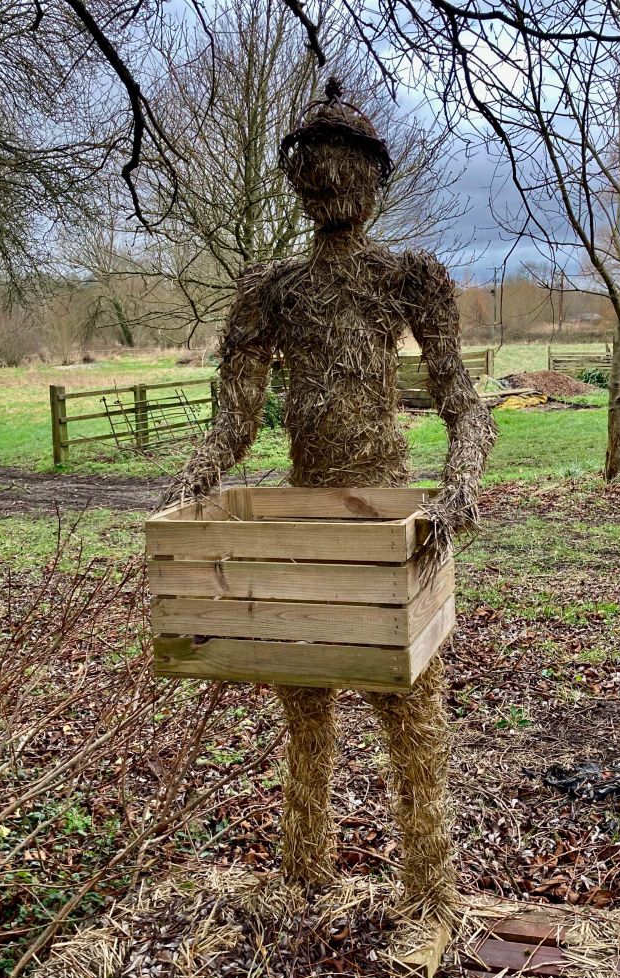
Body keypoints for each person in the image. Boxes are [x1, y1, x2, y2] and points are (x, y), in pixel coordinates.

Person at [165, 78, 496, 920]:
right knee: (305, 708)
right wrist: (194, 481)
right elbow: (235, 418)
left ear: (373, 176)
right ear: (296, 178)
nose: (325, 177)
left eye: (343, 162)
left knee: (410, 715)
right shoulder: (271, 289)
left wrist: (458, 487)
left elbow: (463, 402)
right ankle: (303, 875)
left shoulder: (409, 277)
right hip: (303, 524)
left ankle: (431, 896)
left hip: (387, 521)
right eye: (311, 164)